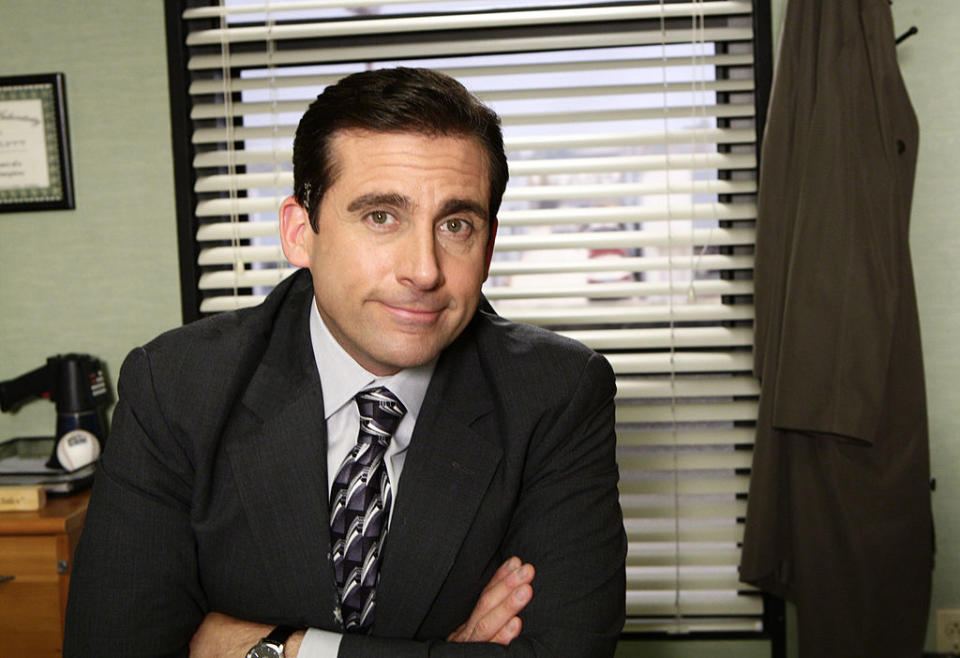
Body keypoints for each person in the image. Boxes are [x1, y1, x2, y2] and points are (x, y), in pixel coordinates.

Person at [64, 67, 626, 657]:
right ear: (299, 232)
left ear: (486, 247)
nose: (425, 270)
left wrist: (274, 649)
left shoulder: (557, 393)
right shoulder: (176, 386)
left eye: (456, 225)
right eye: (381, 216)